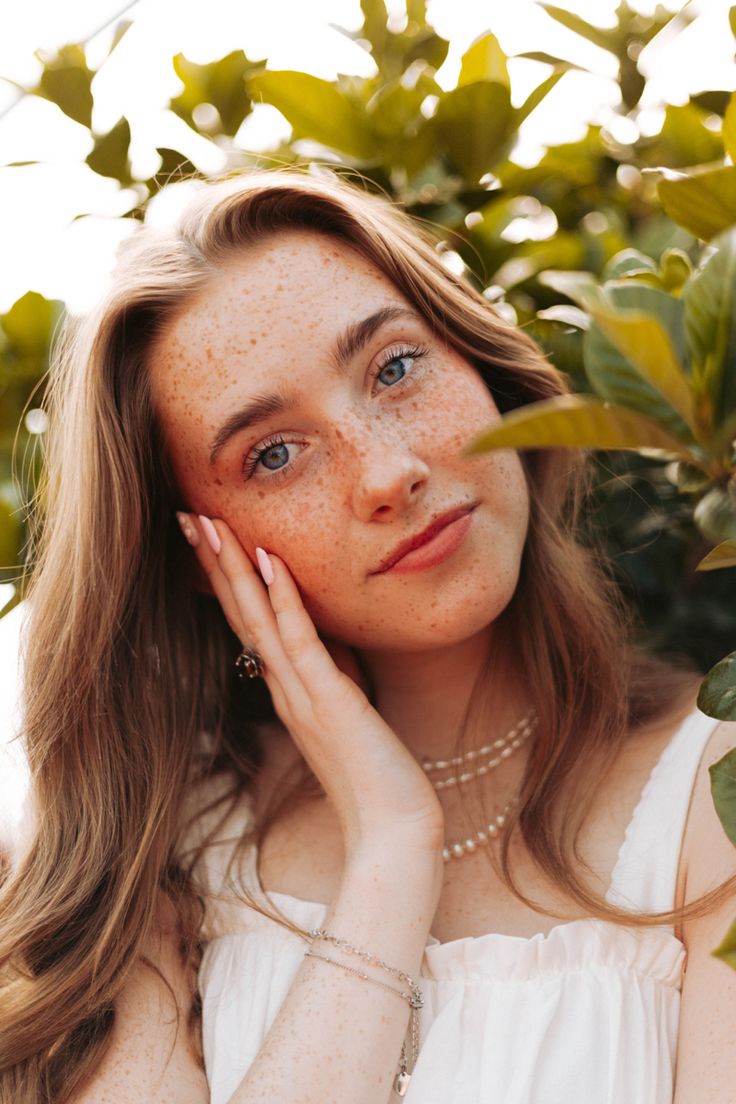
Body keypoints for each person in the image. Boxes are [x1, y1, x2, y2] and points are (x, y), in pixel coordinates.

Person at [1, 165, 735, 1104]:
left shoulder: (715, 801)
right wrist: (391, 846)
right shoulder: (161, 855)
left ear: (480, 365)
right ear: (194, 548)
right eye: (272, 453)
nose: (386, 471)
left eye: (395, 367)